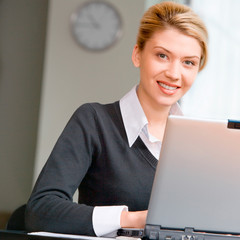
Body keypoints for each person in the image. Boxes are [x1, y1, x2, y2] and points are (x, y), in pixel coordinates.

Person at [25, 1, 208, 237]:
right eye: (162, 55)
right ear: (137, 55)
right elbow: (41, 210)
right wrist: (132, 219)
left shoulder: (199, 144)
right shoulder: (94, 122)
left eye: (188, 62)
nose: (174, 73)